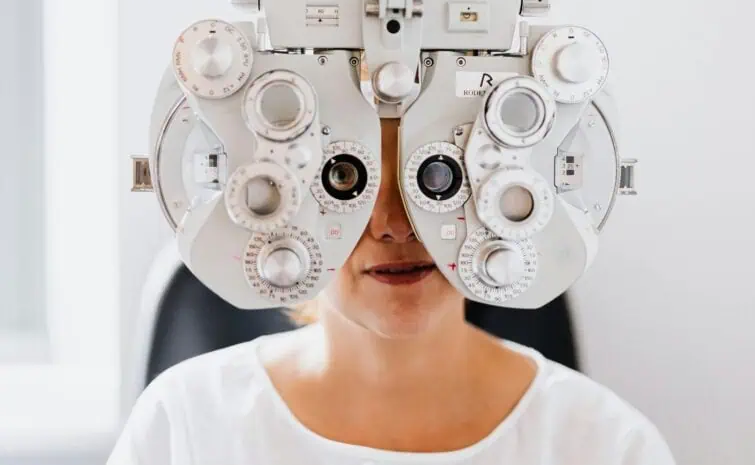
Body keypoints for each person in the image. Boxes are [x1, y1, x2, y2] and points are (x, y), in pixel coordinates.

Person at [108, 119, 676, 464]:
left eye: (436, 178)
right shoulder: (186, 422)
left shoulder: (605, 443)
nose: (395, 225)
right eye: (345, 179)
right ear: (284, 202)